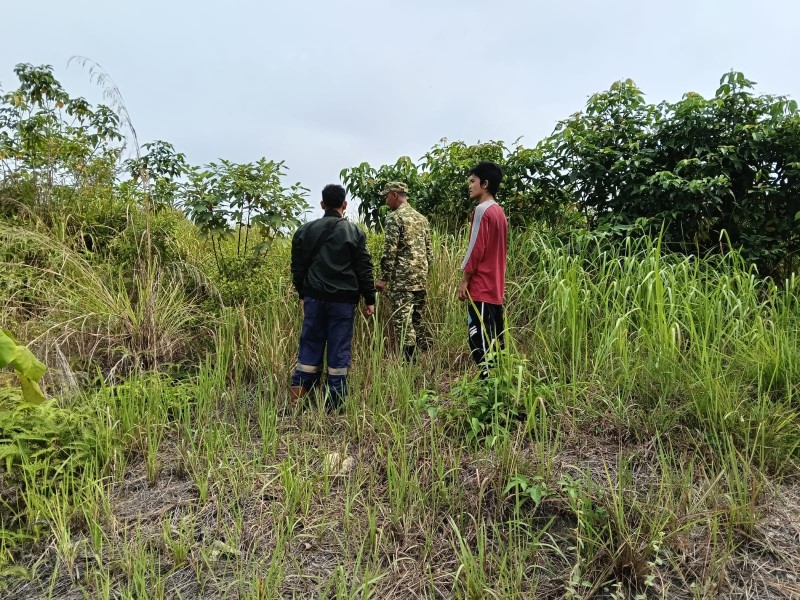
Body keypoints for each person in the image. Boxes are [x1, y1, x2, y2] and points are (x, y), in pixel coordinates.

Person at [289, 184, 376, 410]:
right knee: (339, 351)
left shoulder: (304, 231)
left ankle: (298, 403)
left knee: (309, 346)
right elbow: (364, 268)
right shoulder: (354, 232)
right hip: (343, 302)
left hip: (314, 299)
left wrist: (302, 294)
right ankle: (334, 406)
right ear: (344, 205)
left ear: (322, 204)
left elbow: (297, 269)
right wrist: (370, 299)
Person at [457, 161, 508, 378]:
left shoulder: (481, 211)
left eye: (473, 181)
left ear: (485, 184)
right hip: (496, 290)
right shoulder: (500, 212)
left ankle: (489, 389)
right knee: (496, 341)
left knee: (479, 340)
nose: (470, 185)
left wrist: (464, 279)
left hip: (482, 289)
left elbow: (475, 249)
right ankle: (499, 385)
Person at [376, 181, 433, 361]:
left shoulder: (395, 218)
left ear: (394, 194)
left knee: (403, 322)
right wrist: (424, 273)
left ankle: (410, 366)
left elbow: (389, 251)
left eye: (386, 196)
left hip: (401, 280)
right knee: (417, 319)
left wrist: (384, 278)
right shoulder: (421, 218)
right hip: (420, 277)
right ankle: (425, 362)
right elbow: (429, 252)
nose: (386, 201)